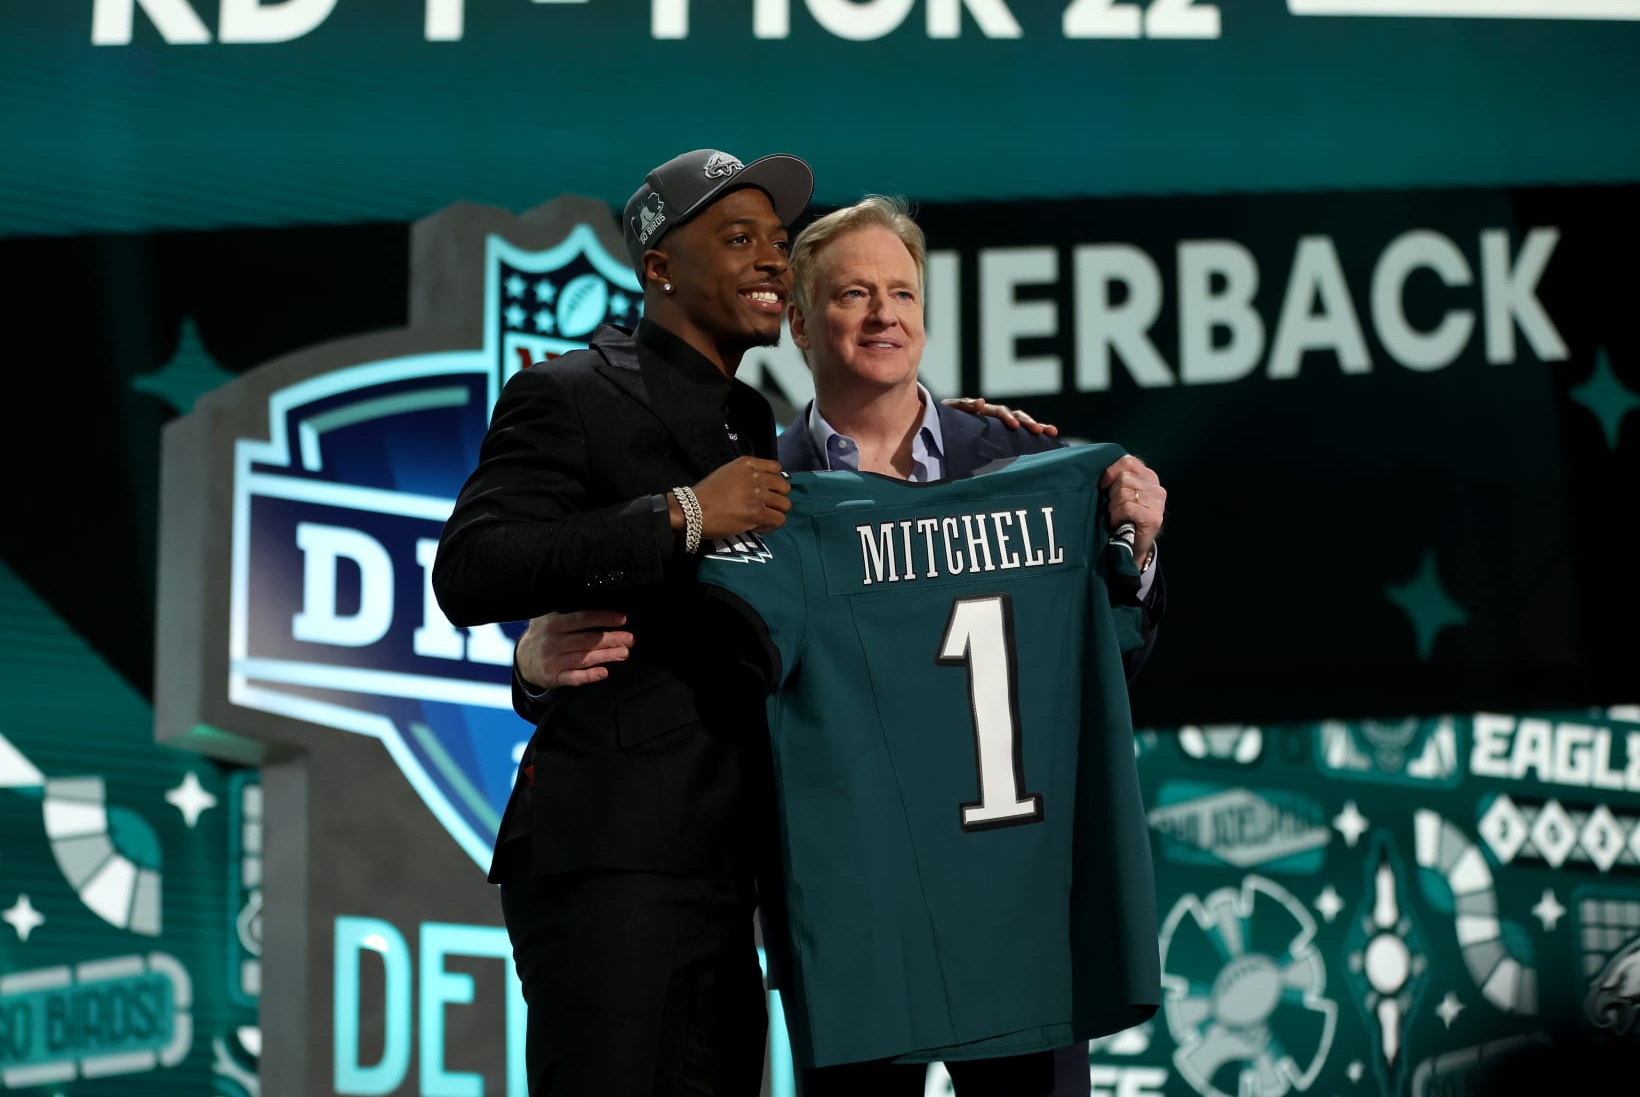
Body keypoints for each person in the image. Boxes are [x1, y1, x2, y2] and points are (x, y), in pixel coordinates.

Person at [521, 196, 1168, 1097]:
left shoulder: (1016, 459)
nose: (883, 315)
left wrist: (1134, 548)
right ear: (795, 322)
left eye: (902, 294)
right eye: (854, 294)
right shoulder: (758, 492)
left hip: (1017, 906)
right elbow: (681, 662)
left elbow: (1092, 666)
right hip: (855, 923)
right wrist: (534, 665)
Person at [431, 147, 813, 1096]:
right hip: (613, 856)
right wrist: (681, 514)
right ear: (658, 268)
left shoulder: (754, 420)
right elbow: (471, 567)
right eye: (738, 239)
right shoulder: (570, 391)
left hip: (726, 871)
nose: (774, 258)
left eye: (779, 240)